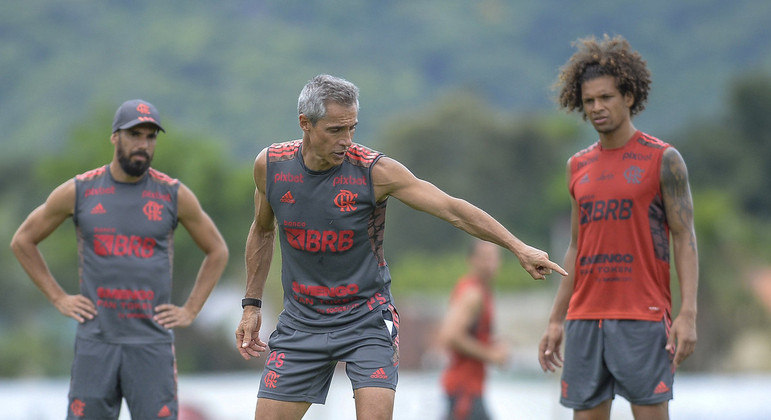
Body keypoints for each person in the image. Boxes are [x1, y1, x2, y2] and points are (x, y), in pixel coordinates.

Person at [235, 74, 567, 420]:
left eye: (352, 128)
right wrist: (251, 305)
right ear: (305, 123)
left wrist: (517, 246)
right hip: (302, 322)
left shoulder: (374, 171)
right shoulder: (271, 166)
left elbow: (451, 209)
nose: (346, 140)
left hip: (366, 319)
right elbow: (261, 231)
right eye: (335, 130)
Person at [10, 99, 229, 419]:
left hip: (151, 345)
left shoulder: (172, 193)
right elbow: (23, 240)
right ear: (115, 137)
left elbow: (217, 250)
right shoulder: (80, 190)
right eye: (134, 134)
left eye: (150, 137)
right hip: (97, 343)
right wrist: (58, 298)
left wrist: (190, 309)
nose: (143, 144)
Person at [537, 35, 699, 420]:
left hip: (643, 317)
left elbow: (684, 236)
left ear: (629, 96)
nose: (597, 107)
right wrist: (557, 319)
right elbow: (576, 248)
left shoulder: (663, 159)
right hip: (585, 320)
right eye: (589, 100)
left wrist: (688, 312)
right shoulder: (577, 166)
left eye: (606, 97)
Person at [438, 239, 509, 420]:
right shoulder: (473, 294)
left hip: (467, 389)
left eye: (494, 258)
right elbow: (450, 336)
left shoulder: (482, 291)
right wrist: (491, 354)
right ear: (472, 260)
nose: (490, 264)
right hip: (464, 388)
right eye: (485, 258)